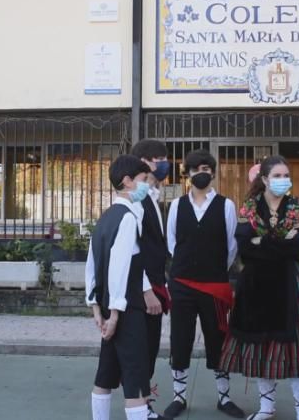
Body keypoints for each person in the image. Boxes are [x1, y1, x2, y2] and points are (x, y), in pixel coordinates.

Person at [219, 155, 299, 420]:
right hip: (255, 285)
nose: (283, 181)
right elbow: (245, 248)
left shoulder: (296, 205)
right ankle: (267, 407)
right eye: (277, 176)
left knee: (296, 349)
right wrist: (281, 242)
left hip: (288, 284)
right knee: (261, 348)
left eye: (286, 176)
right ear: (264, 179)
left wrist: (264, 242)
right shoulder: (249, 206)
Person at [164, 149, 245, 419]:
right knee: (180, 339)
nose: (202, 173)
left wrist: (213, 270)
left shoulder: (226, 205)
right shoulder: (176, 205)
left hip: (214, 284)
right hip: (182, 283)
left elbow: (231, 246)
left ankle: (224, 397)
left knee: (218, 338)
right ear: (187, 174)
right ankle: (178, 397)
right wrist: (188, 267)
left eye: (206, 169)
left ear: (213, 172)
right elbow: (173, 243)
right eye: (196, 169)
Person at [85, 154, 159, 420]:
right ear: (127, 182)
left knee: (105, 376)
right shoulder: (127, 218)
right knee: (136, 382)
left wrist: (96, 307)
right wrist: (115, 313)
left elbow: (92, 264)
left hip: (107, 307)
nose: (146, 186)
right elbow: (118, 267)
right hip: (126, 309)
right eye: (142, 180)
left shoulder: (105, 217)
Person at [131, 139, 172, 420]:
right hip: (144, 289)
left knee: (150, 348)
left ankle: (143, 403)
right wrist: (147, 290)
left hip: (157, 284)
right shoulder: (137, 199)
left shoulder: (153, 197)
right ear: (143, 162)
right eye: (158, 158)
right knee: (141, 351)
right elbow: (134, 249)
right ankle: (139, 407)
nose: (163, 163)